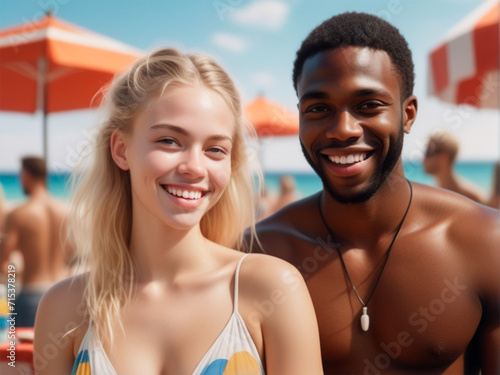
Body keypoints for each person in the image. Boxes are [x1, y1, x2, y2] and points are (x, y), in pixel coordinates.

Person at [34, 48, 323, 375]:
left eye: (215, 149)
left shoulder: (272, 289)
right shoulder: (65, 307)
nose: (195, 167)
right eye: (170, 141)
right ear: (120, 149)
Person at [253, 12, 499, 374]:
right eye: (319, 108)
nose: (342, 129)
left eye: (368, 105)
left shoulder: (485, 242)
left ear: (409, 114)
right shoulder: (261, 252)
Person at [0, 156, 72, 327]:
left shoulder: (19, 214)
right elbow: (70, 256)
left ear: (25, 175)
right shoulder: (65, 212)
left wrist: (18, 274)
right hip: (62, 294)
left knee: (23, 353)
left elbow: (3, 262)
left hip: (31, 296)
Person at [423, 131, 487, 204]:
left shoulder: (472, 200)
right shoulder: (430, 195)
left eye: (428, 151)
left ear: (443, 157)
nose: (423, 158)